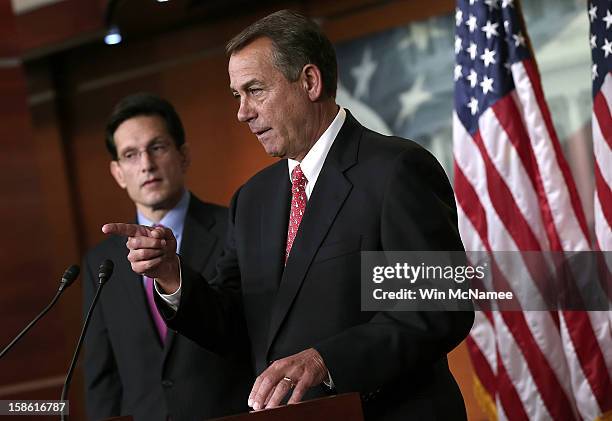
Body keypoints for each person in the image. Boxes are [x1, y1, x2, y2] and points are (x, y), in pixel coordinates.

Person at [103, 11, 474, 421]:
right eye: (236, 96)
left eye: (255, 90)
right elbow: (231, 323)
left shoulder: (395, 169)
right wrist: (173, 276)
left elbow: (442, 308)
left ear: (310, 82)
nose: (242, 112)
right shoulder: (253, 200)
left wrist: (326, 360)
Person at [83, 93, 252, 421]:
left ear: (183, 156)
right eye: (130, 155)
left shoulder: (235, 226)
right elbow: (103, 377)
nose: (146, 163)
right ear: (118, 173)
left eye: (157, 147)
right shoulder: (100, 264)